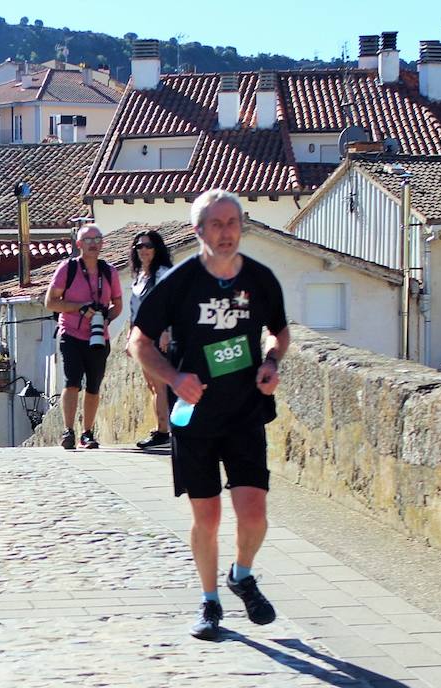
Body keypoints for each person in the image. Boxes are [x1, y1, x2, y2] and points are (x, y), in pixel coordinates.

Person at [128, 190, 290, 641]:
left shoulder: (260, 279)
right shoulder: (180, 283)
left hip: (244, 411)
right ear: (198, 231)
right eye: (215, 224)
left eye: (232, 223)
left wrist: (272, 362)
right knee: (209, 517)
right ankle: (209, 601)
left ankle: (241, 575)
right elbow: (138, 342)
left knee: (254, 512)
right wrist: (174, 378)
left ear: (241, 227)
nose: (225, 232)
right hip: (195, 416)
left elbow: (279, 331)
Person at [45, 224, 123, 450]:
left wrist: (106, 318)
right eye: (88, 240)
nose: (93, 243)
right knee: (72, 382)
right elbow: (51, 302)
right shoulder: (67, 270)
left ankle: (87, 433)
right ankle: (68, 431)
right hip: (71, 333)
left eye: (97, 239)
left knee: (94, 385)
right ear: (78, 244)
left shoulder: (110, 272)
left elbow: (117, 304)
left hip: (99, 336)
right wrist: (79, 307)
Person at [127, 229, 175, 450]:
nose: (143, 250)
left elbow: (170, 304)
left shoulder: (163, 273)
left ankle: (164, 430)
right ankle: (162, 428)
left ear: (157, 249)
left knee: (160, 385)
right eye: (139, 246)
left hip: (158, 336)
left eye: (148, 246)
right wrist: (130, 335)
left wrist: (166, 330)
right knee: (152, 385)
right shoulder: (139, 276)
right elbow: (134, 310)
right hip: (143, 338)